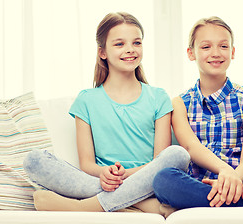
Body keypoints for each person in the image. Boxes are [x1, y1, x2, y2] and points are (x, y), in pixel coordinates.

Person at [23, 12, 190, 214]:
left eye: (136, 43)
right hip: (102, 181)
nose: (130, 49)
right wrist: (105, 174)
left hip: (146, 179)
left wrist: (126, 175)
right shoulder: (86, 100)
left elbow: (159, 162)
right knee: (33, 160)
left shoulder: (158, 97)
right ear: (102, 52)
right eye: (119, 44)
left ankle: (85, 206)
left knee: (178, 154)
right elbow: (87, 164)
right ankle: (141, 204)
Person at [152, 16, 243, 209]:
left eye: (223, 46)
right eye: (206, 47)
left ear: (232, 52)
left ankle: (225, 198)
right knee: (163, 179)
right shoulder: (180, 103)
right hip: (200, 184)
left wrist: (231, 180)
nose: (215, 53)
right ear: (191, 53)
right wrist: (223, 169)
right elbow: (191, 148)